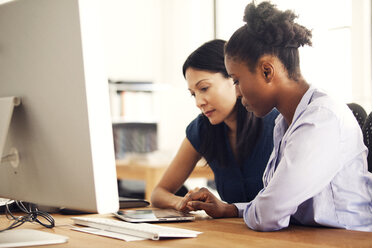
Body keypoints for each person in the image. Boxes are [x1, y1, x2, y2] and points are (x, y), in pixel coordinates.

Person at [183, 1, 372, 232]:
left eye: (236, 80)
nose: (238, 91)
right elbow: (276, 203)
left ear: (266, 71)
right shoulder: (284, 122)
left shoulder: (321, 120)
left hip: (347, 240)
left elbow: (269, 214)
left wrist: (259, 208)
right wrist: (231, 209)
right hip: (309, 237)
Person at [151, 39, 278, 211]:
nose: (198, 102)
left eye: (204, 88)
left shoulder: (278, 122)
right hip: (233, 235)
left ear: (233, 78)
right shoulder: (202, 129)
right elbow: (159, 193)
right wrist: (182, 202)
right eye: (193, 94)